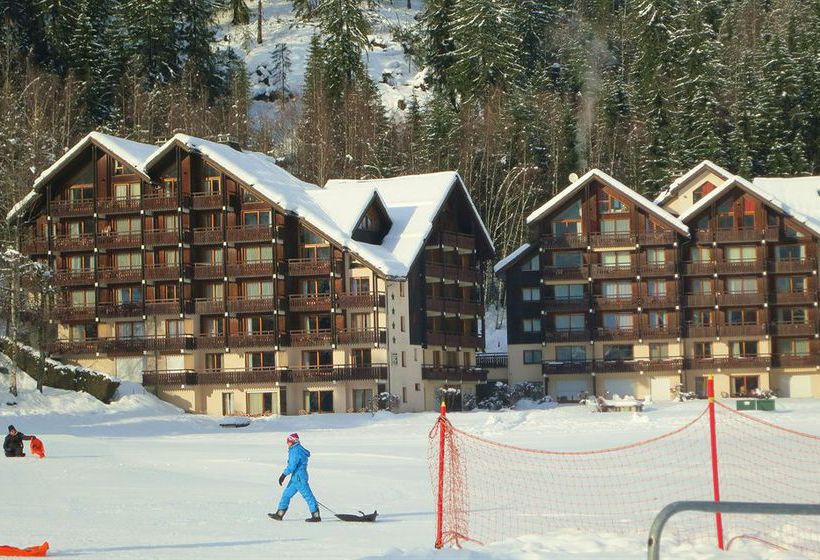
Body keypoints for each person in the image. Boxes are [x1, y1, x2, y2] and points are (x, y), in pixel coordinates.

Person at [269, 433, 320, 522]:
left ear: (292, 441)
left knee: (308, 496)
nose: (287, 443)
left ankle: (316, 515)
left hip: (299, 478)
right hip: (296, 478)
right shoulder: (296, 449)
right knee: (286, 495)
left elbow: (292, 466)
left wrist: (283, 475)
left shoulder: (295, 451)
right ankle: (279, 514)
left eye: (288, 441)